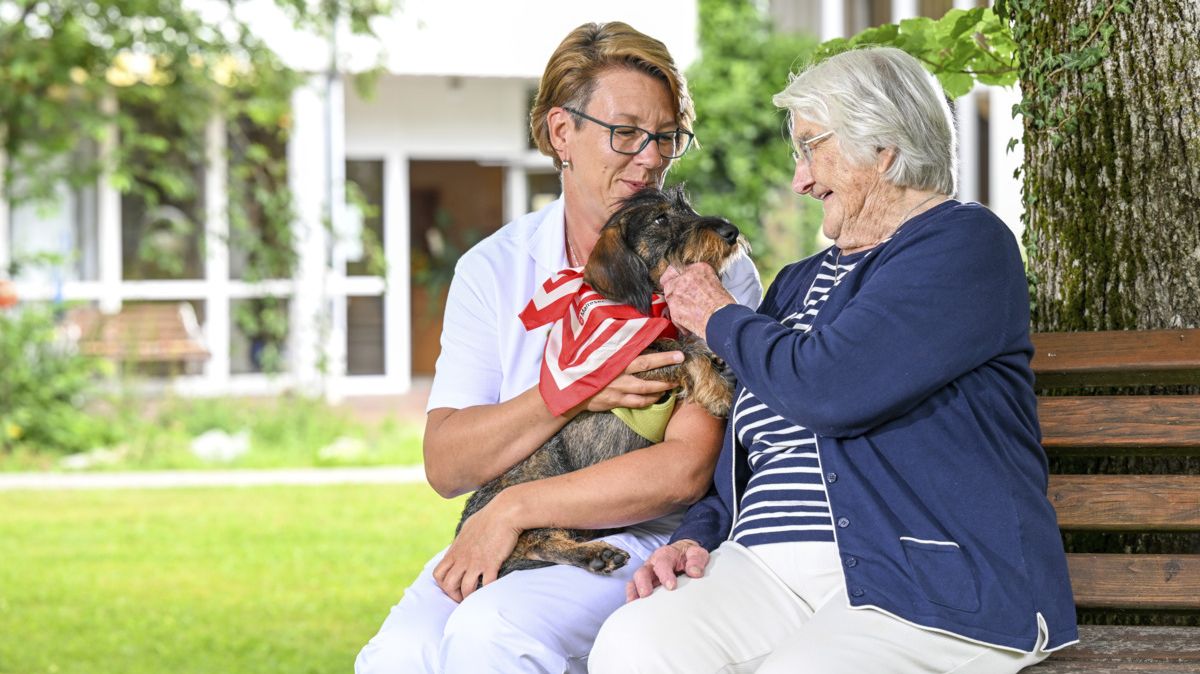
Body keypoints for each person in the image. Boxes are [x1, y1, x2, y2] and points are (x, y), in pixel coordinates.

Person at [588, 46, 1078, 674]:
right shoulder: (796, 282)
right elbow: (749, 444)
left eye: (811, 148)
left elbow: (830, 387)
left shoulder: (962, 244)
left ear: (885, 150)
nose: (800, 180)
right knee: (635, 644)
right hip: (763, 568)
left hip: (918, 577)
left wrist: (717, 315)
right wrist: (697, 534)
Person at [355, 21, 763, 674]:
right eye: (626, 132)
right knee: (398, 657)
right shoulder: (496, 268)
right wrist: (570, 392)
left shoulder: (708, 270)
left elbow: (685, 471)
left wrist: (515, 508)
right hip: (518, 532)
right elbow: (447, 464)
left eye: (666, 137)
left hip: (645, 538)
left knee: (491, 635)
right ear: (559, 132)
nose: (651, 157)